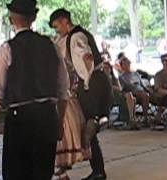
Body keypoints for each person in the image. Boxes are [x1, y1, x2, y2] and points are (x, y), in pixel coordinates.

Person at [0, 0, 69, 179]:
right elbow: (64, 90)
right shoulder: (52, 47)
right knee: (42, 174)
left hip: (20, 120)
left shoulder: (6, 49)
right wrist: (60, 122)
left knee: (16, 174)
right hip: (47, 117)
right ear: (33, 18)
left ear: (11, 20)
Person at [49, 8, 113, 180]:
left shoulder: (76, 37)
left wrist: (85, 81)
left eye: (57, 26)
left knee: (87, 127)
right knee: (88, 127)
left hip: (92, 83)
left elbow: (87, 57)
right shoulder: (77, 35)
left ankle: (98, 170)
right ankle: (98, 170)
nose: (57, 31)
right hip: (96, 82)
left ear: (64, 21)